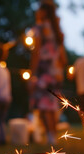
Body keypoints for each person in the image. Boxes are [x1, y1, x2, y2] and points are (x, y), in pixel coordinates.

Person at [29, 2, 65, 145]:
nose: (36, 12)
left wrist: (32, 74)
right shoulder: (56, 30)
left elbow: (36, 52)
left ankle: (50, 138)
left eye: (38, 9)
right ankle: (53, 136)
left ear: (44, 12)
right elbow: (62, 56)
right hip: (56, 72)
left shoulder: (39, 28)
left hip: (44, 71)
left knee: (43, 105)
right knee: (52, 105)